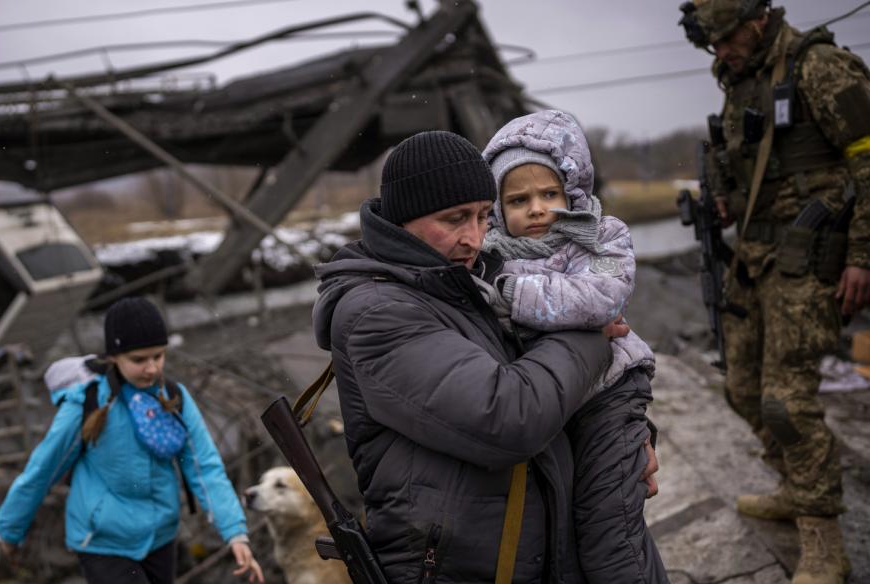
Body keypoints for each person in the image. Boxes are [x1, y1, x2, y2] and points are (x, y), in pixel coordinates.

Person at [311, 130, 658, 583]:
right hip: (460, 568)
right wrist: (592, 334)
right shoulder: (377, 313)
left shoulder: (465, 278)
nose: (473, 238)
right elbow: (509, 415)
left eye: (481, 216)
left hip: (529, 554)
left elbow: (555, 385)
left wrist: (626, 437)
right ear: (402, 220)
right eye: (454, 219)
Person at [678, 1, 870, 582]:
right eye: (712, 43)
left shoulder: (821, 68)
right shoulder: (742, 82)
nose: (720, 51)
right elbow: (759, 178)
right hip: (757, 259)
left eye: (727, 38)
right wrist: (723, 203)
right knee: (740, 385)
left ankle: (823, 541)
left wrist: (862, 257)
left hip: (811, 260)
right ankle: (795, 485)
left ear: (757, 21)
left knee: (785, 400)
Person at [479, 109, 667, 583]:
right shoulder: (492, 255)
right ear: (499, 208)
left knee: (610, 533)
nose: (538, 209)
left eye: (549, 194)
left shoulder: (603, 238)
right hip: (554, 405)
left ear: (572, 191)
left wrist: (510, 296)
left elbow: (598, 300)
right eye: (519, 199)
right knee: (566, 539)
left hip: (609, 395)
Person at [0, 296, 264, 584]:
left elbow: (204, 468)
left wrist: (235, 532)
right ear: (113, 357)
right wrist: (10, 531)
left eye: (158, 356)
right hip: (103, 541)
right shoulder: (87, 404)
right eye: (139, 360)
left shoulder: (173, 399)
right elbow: (43, 469)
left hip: (160, 537)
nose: (151, 368)